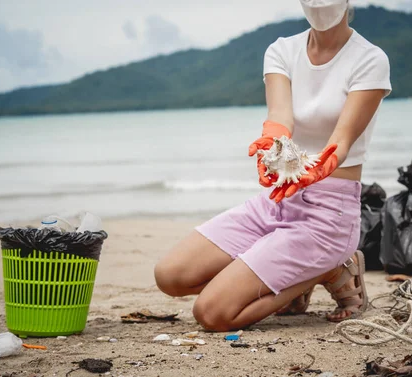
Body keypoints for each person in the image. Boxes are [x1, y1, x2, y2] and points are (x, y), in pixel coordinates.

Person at [154, 0, 392, 331]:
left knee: (212, 313)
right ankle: (310, 273)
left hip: (328, 214)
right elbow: (280, 118)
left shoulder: (369, 59)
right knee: (170, 276)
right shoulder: (282, 51)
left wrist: (320, 167)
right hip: (280, 199)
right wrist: (271, 141)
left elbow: (342, 137)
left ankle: (328, 267)